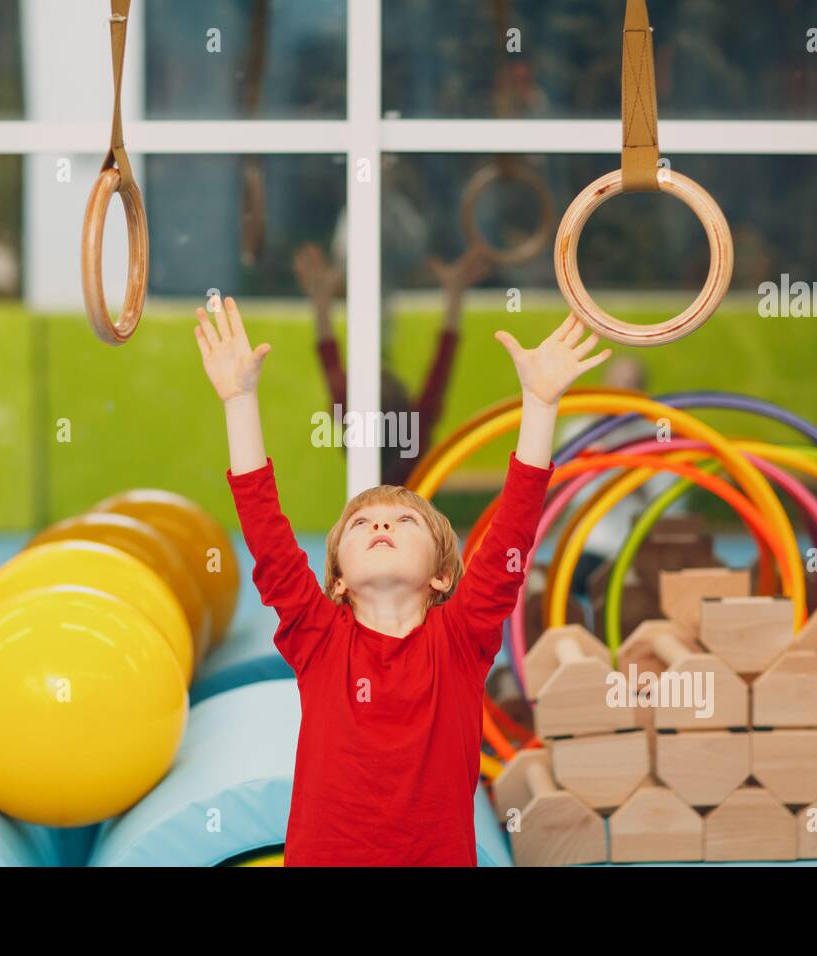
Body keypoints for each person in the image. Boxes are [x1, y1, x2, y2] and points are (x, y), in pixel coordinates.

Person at [194, 293, 610, 866]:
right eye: (362, 522)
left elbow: (512, 534)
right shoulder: (319, 638)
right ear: (337, 581)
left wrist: (539, 406)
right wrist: (239, 401)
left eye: (404, 520)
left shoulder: (462, 640)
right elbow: (266, 533)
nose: (382, 521)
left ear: (442, 575)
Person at [293, 242, 491, 487]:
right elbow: (442, 364)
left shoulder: (362, 424)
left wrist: (321, 300)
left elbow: (328, 355)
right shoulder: (414, 433)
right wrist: (454, 295)